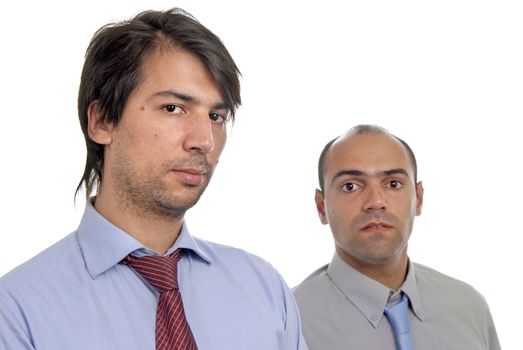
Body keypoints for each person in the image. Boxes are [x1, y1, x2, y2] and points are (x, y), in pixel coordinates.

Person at [0, 8, 307, 350]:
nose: (204, 140)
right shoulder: (17, 311)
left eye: (217, 116)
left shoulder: (265, 290)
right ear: (102, 121)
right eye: (173, 108)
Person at [293, 124, 500, 350]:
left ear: (418, 199)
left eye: (393, 184)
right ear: (321, 207)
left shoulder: (469, 307)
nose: (376, 201)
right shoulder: (289, 320)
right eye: (350, 186)